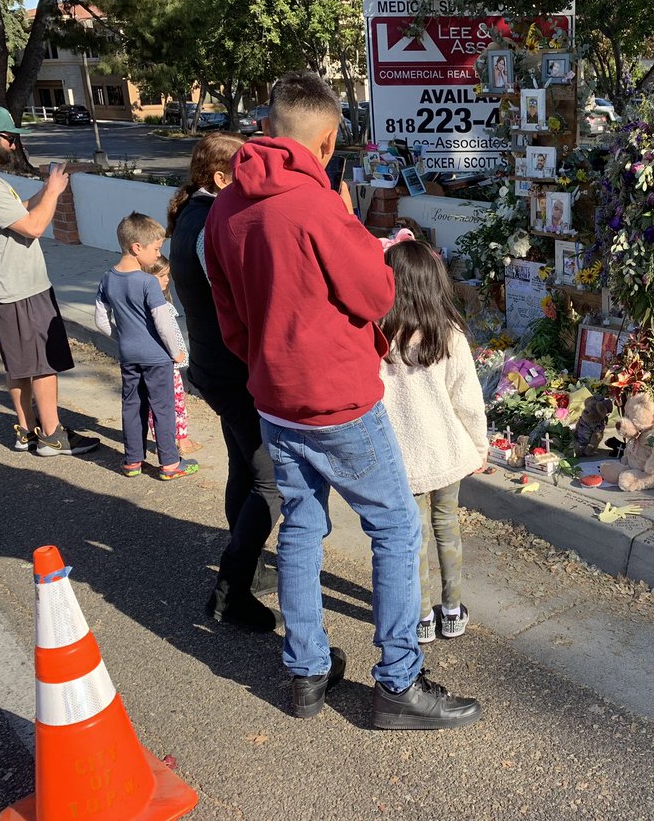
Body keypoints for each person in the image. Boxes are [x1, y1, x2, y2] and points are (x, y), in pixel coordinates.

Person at [204, 70, 480, 728]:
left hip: (274, 398)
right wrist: (347, 216)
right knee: (395, 525)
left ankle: (306, 673)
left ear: (269, 130)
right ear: (327, 140)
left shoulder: (223, 209)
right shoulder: (318, 204)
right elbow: (378, 296)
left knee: (301, 526)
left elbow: (230, 318)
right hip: (340, 403)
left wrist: (272, 368)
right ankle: (398, 684)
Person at [166, 132, 281, 633]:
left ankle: (248, 562)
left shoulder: (191, 213)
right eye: (244, 170)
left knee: (243, 466)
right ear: (220, 178)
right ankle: (231, 590)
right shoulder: (212, 221)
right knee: (272, 482)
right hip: (232, 370)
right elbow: (237, 302)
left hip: (215, 367)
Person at [0, 105, 100, 456]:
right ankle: (52, 436)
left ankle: (26, 431)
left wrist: (47, 190)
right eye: (9, 138)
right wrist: (53, 192)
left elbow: (19, 213)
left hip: (8, 286)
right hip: (19, 286)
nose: (14, 145)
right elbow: (34, 227)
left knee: (19, 364)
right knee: (43, 363)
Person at [378, 238, 487, 645]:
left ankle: (421, 617)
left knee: (413, 536)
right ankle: (453, 611)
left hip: (400, 454)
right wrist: (479, 445)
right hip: (446, 448)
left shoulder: (378, 334)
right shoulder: (450, 333)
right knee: (447, 526)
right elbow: (468, 398)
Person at [94, 213, 199, 481]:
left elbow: (100, 321)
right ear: (136, 248)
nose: (157, 255)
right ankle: (169, 463)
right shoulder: (148, 282)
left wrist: (123, 338)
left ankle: (132, 460)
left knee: (132, 404)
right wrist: (176, 350)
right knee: (162, 407)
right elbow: (162, 321)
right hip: (157, 357)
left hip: (129, 356)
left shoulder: (108, 278)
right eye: (156, 249)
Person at [145, 254, 201, 457]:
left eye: (167, 275)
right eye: (161, 276)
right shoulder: (162, 307)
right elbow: (170, 335)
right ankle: (182, 440)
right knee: (176, 402)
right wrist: (178, 355)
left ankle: (162, 440)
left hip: (152, 363)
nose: (167, 280)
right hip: (169, 363)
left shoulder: (142, 304)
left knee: (157, 404)